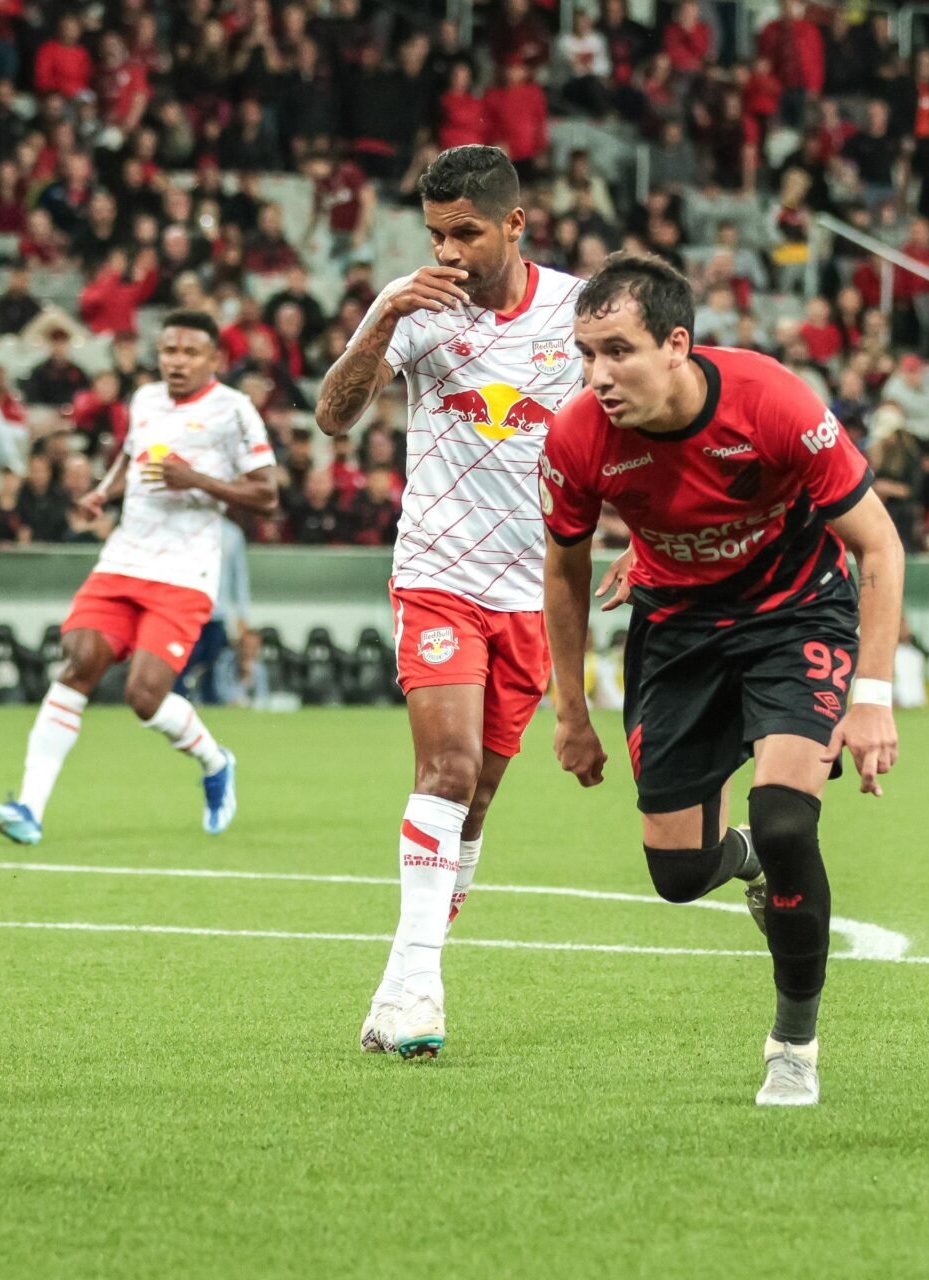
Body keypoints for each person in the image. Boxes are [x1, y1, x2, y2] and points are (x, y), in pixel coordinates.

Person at [541, 254, 904, 1108]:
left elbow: (880, 547)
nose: (598, 376)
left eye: (618, 351)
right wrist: (569, 709)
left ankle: (793, 1043)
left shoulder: (771, 401)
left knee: (784, 820)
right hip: (677, 637)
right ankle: (735, 863)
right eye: (586, 353)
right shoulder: (577, 437)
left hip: (796, 619)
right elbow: (562, 574)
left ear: (676, 344)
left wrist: (875, 698)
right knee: (675, 875)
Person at [312, 145, 602, 1060]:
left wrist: (642, 538)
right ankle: (414, 989)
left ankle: (408, 976)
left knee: (473, 801)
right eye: (435, 233)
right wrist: (382, 318)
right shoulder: (413, 306)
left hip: (536, 592)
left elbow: (622, 428)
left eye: (465, 233)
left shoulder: (579, 312)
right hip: (438, 574)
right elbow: (333, 415)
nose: (447, 252)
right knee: (443, 771)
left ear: (515, 224)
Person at [0, 311, 278, 844]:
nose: (176, 361)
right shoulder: (144, 400)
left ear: (215, 360)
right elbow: (129, 455)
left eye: (189, 353)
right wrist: (103, 491)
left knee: (144, 694)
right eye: (168, 351)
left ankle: (215, 761)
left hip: (186, 570)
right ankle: (28, 809)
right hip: (123, 559)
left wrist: (197, 480)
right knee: (77, 659)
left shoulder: (235, 411)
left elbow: (267, 494)